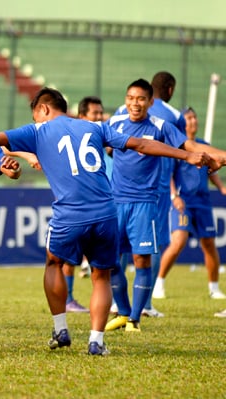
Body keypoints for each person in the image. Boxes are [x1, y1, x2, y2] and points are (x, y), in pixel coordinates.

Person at [0, 87, 213, 355]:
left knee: (54, 263)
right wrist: (187, 154)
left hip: (70, 215)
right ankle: (96, 341)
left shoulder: (38, 129)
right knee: (100, 275)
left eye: (35, 115)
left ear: (42, 109)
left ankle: (60, 330)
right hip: (106, 213)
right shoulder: (95, 126)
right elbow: (141, 143)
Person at [105, 79, 226, 333]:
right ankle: (123, 312)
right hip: (116, 202)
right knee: (112, 260)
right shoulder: (114, 123)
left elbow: (189, 146)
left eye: (140, 99)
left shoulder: (161, 126)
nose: (134, 103)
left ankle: (135, 319)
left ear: (151, 102)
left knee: (141, 258)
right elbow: (103, 144)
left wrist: (215, 155)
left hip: (145, 202)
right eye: (130, 98)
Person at [152, 107, 226, 305]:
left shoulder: (204, 145)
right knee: (178, 241)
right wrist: (174, 195)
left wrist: (221, 187)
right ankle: (158, 284)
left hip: (203, 201)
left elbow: (212, 170)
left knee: (209, 244)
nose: (193, 121)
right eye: (189, 118)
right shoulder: (178, 145)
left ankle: (214, 288)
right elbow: (168, 173)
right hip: (183, 201)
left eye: (194, 117)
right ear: (182, 123)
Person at [60, 96, 106, 313]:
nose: (99, 117)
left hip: (104, 203)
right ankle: (67, 299)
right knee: (70, 256)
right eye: (94, 114)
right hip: (78, 205)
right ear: (81, 117)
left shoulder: (104, 138)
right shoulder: (76, 142)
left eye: (100, 113)